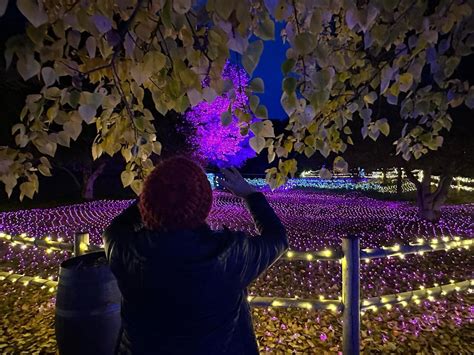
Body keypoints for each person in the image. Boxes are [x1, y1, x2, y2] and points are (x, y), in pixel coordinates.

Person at [102, 156, 288, 354]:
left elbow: (117, 228)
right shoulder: (230, 252)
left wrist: (158, 193)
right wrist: (251, 195)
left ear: (148, 200)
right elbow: (277, 238)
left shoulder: (124, 248)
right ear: (204, 205)